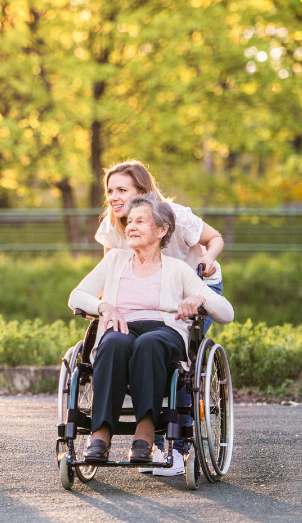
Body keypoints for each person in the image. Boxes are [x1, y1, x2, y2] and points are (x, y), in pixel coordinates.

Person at [68, 193, 234, 467]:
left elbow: (226, 312)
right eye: (129, 221)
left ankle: (144, 435)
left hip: (163, 333)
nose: (131, 226)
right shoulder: (114, 261)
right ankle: (100, 436)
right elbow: (77, 296)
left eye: (140, 221)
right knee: (112, 344)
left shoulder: (178, 269)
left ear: (161, 230)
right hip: (122, 327)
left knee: (149, 343)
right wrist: (104, 307)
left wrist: (200, 298)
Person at [96, 160, 225, 474]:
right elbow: (112, 276)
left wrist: (207, 257)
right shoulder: (114, 224)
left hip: (194, 287)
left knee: (177, 363)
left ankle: (177, 449)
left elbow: (215, 238)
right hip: (147, 298)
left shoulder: (175, 215)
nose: (113, 196)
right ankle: (129, 434)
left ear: (142, 191)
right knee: (124, 343)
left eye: (122, 190)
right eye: (110, 190)